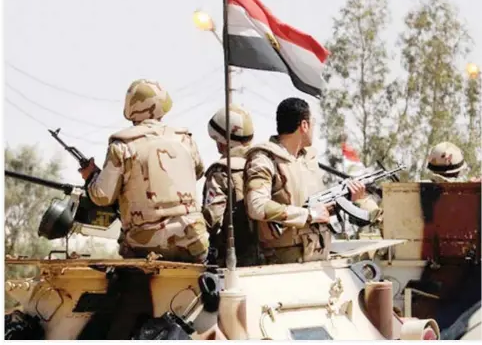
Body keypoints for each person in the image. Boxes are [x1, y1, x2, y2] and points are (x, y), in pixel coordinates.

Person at [79, 79, 209, 263]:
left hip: (144, 245)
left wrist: (91, 176)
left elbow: (103, 196)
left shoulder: (122, 146)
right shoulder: (185, 140)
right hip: (192, 240)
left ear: (130, 109)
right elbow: (196, 172)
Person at [243, 97, 370, 264]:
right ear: (304, 125)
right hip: (283, 263)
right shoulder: (264, 158)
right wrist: (308, 214)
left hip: (317, 255)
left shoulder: (307, 161)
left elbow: (319, 212)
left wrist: (347, 198)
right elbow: (257, 206)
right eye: (312, 124)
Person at [202, 104, 256, 266]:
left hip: (233, 261)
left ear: (221, 141)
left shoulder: (221, 171)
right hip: (266, 256)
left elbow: (211, 220)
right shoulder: (262, 163)